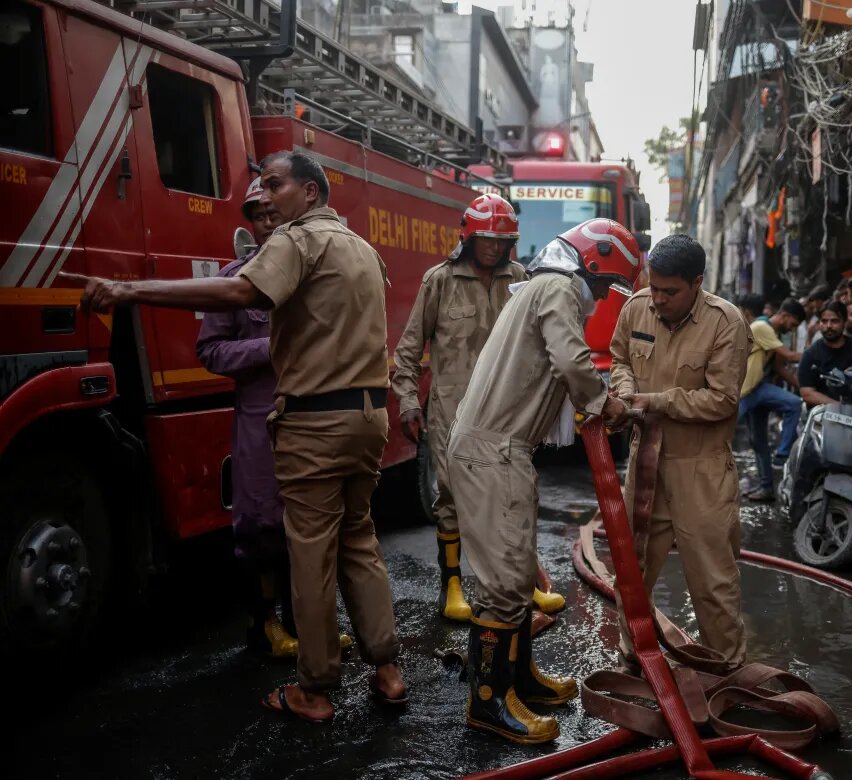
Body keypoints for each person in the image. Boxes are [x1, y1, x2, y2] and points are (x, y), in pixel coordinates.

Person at [63, 150, 407, 722]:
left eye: (275, 185)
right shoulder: (362, 250)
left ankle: (315, 689)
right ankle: (388, 672)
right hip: (368, 418)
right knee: (359, 543)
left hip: (315, 423)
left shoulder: (298, 241)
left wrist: (128, 292)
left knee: (311, 555)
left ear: (312, 193)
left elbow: (236, 294)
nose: (265, 197)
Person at [449, 219, 634, 744]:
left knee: (513, 574)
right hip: (494, 450)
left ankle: (520, 681)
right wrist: (605, 403)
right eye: (602, 285)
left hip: (504, 448)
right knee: (503, 583)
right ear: (589, 264)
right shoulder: (556, 288)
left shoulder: (539, 286)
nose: (601, 297)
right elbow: (572, 360)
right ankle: (488, 704)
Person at [391, 193, 558, 622]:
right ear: (468, 236)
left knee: (513, 493)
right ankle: (452, 588)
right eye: (486, 239)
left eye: (502, 241)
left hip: (508, 410)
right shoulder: (439, 281)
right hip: (451, 409)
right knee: (452, 495)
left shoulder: (521, 278)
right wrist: (408, 401)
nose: (493, 247)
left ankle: (523, 582)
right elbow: (408, 351)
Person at [610, 233, 750, 672]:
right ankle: (635, 655)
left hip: (701, 470)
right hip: (645, 463)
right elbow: (619, 360)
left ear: (697, 283)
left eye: (670, 291)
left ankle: (725, 669)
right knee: (631, 571)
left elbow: (723, 400)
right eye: (654, 287)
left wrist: (653, 401)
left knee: (712, 580)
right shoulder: (635, 308)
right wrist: (627, 390)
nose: (658, 299)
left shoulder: (725, 322)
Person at [197, 178, 310, 658]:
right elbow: (210, 350)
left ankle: (302, 629)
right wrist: (267, 348)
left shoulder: (312, 275)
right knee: (260, 528)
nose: (270, 223)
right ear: (251, 222)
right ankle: (262, 627)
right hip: (259, 422)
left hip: (310, 417)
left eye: (276, 213)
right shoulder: (234, 281)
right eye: (260, 216)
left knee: (305, 530)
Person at [737, 295, 804, 501]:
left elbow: (779, 368)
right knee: (794, 404)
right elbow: (791, 357)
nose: (792, 329)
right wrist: (816, 353)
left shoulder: (771, 331)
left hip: (756, 389)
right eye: (793, 324)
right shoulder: (762, 327)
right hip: (748, 391)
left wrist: (804, 389)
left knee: (759, 442)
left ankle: (766, 487)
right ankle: (782, 455)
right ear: (784, 315)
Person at [797, 301, 852, 407]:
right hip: (824, 415)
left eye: (834, 321)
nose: (828, 326)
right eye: (824, 321)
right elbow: (807, 393)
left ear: (844, 322)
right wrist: (839, 407)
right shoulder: (811, 354)